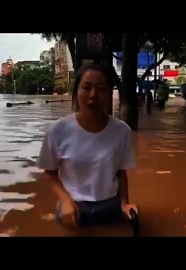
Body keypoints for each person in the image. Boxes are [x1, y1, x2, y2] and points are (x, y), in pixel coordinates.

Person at [37, 64, 139, 227]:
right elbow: (50, 174)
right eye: (86, 88)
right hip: (73, 209)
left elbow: (121, 172)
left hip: (111, 206)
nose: (93, 95)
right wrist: (65, 200)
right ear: (76, 92)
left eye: (101, 89)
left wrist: (125, 204)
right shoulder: (57, 131)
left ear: (109, 94)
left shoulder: (122, 131)